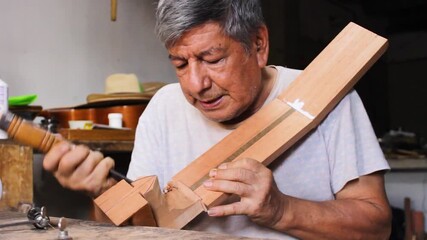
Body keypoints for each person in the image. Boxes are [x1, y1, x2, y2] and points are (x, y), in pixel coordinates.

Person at [44, 0, 392, 239]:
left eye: (212, 59)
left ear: (258, 44)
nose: (196, 85)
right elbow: (138, 227)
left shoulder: (330, 96)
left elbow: (377, 227)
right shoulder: (163, 107)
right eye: (180, 64)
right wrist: (103, 191)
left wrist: (281, 210)